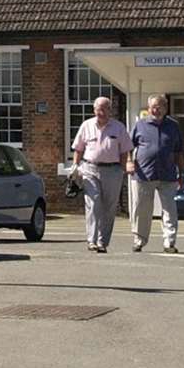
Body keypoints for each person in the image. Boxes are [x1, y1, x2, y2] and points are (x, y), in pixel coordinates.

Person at [71, 96, 131, 253]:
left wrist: (123, 170)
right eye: (99, 109)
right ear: (94, 110)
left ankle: (102, 241)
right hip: (90, 168)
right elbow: (78, 148)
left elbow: (125, 151)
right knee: (93, 204)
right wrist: (75, 166)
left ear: (110, 110)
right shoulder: (86, 125)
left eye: (105, 109)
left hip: (113, 170)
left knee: (109, 207)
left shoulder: (118, 127)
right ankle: (92, 240)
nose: (101, 112)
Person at [128, 95, 184, 253]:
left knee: (169, 209)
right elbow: (128, 146)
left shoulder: (173, 126)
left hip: (168, 175)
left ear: (166, 108)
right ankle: (139, 240)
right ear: (148, 108)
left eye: (160, 106)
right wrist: (129, 161)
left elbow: (179, 152)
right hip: (144, 174)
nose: (157, 109)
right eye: (154, 106)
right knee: (142, 210)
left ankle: (169, 242)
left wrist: (182, 173)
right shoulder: (140, 125)